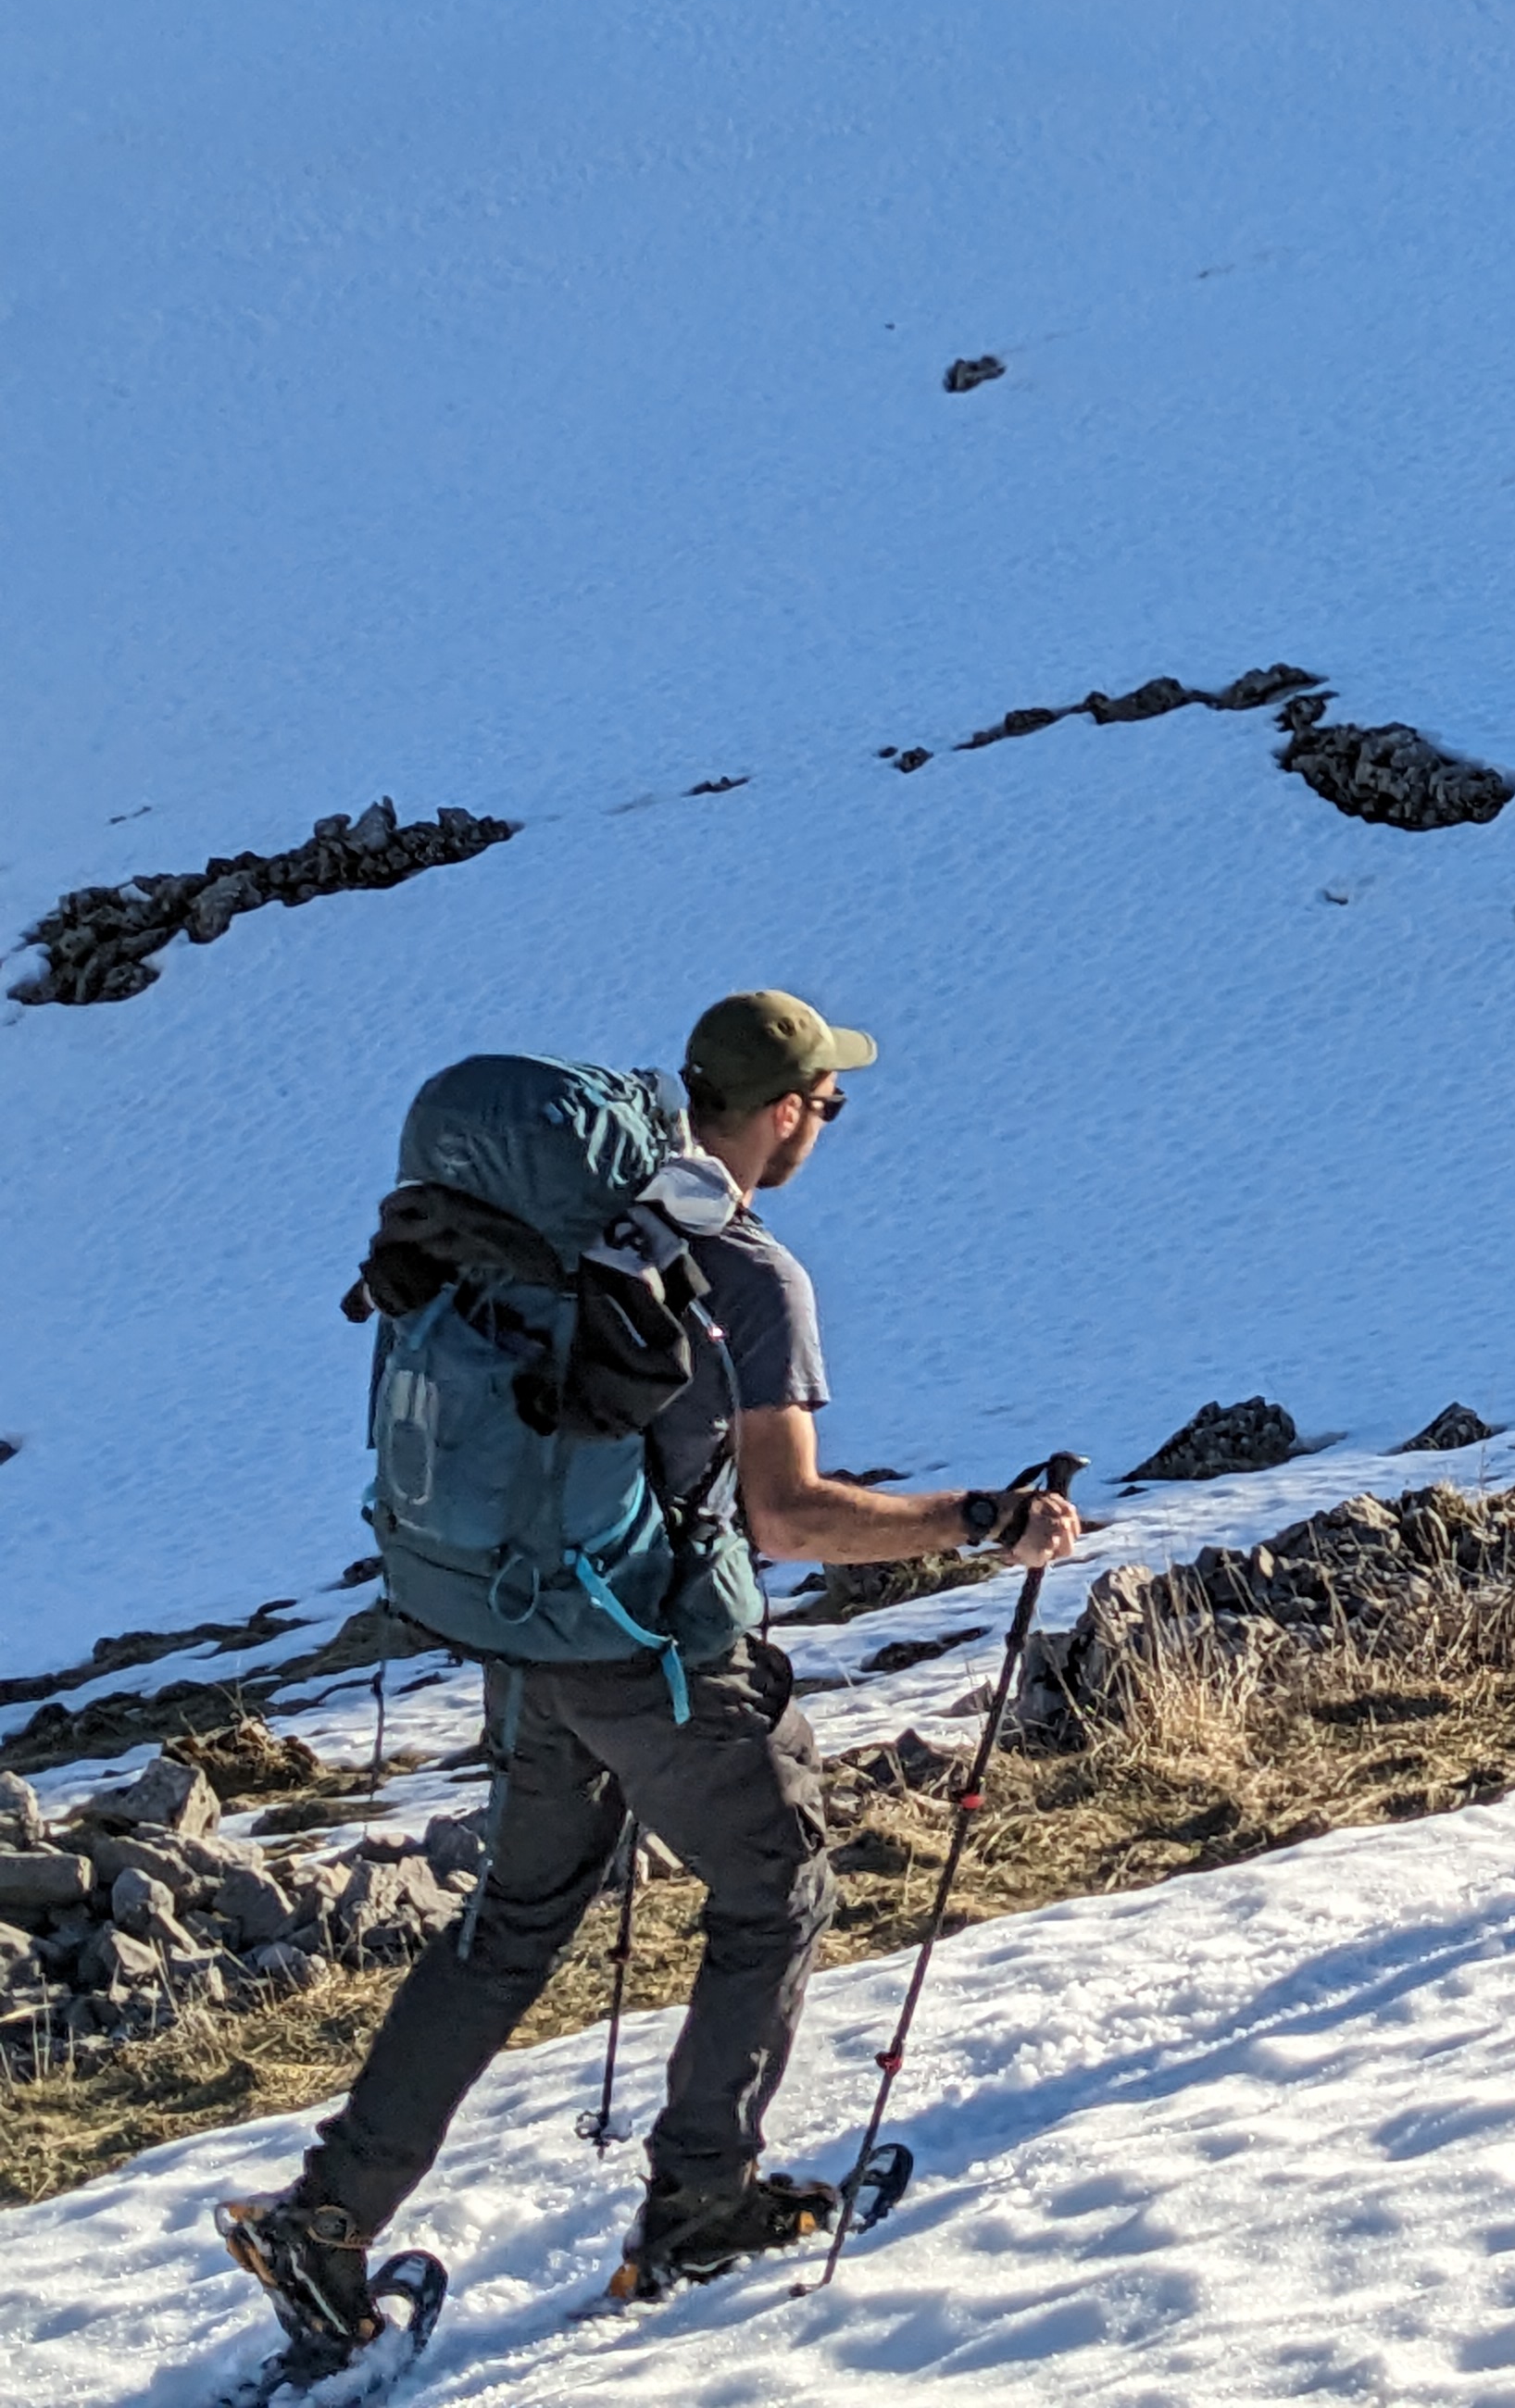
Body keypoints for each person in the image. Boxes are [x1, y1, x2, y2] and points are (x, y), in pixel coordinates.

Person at [222, 990, 1078, 2351]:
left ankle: (328, 2217)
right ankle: (703, 2204)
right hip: (659, 1652)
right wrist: (980, 1521)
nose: (827, 1125)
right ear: (787, 1110)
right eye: (827, 1103)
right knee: (775, 1878)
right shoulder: (747, 1273)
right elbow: (789, 1520)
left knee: (512, 1923)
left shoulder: (568, 1235)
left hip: (526, 1625)